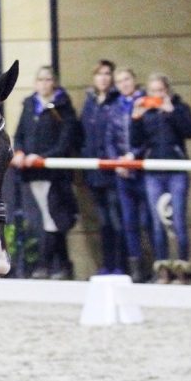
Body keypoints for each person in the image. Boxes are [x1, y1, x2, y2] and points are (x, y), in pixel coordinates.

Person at [11, 65, 80, 279]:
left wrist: (44, 157)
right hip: (32, 172)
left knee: (53, 218)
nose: (44, 83)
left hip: (54, 171)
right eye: (40, 79)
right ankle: (61, 265)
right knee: (48, 217)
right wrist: (20, 152)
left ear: (54, 82)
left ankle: (47, 264)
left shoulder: (63, 106)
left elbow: (66, 140)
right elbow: (20, 133)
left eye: (48, 79)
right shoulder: (30, 105)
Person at [130, 72, 191, 283]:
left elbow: (190, 131)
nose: (157, 95)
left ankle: (182, 268)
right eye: (153, 91)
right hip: (153, 172)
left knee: (177, 220)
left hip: (176, 170)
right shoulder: (146, 112)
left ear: (167, 91)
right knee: (157, 221)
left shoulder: (180, 108)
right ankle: (162, 268)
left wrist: (172, 113)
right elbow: (135, 140)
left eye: (160, 91)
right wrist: (135, 118)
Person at [79, 59, 125, 275]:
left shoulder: (118, 101)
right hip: (94, 171)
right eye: (100, 74)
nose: (103, 78)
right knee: (103, 222)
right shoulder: (90, 103)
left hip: (114, 171)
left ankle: (120, 265)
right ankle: (107, 264)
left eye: (107, 73)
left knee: (117, 220)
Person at [107, 67, 152, 282]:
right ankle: (136, 267)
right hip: (122, 173)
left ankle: (156, 264)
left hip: (142, 170)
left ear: (134, 80)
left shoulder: (145, 103)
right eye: (120, 81)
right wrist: (117, 162)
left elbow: (150, 136)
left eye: (127, 79)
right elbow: (109, 139)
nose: (124, 84)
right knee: (129, 222)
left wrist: (133, 155)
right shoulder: (114, 107)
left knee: (148, 220)